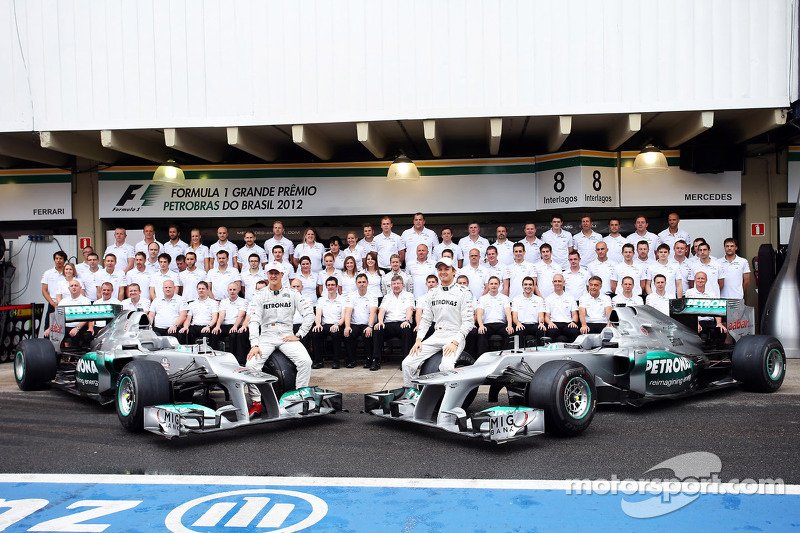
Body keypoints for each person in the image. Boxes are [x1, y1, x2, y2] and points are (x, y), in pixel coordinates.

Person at [246, 262, 314, 416]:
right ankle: (256, 402)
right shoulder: (259, 295)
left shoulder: (293, 293)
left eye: (276, 273)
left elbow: (310, 314)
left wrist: (300, 334)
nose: (273, 275)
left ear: (283, 275)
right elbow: (254, 321)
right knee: (250, 365)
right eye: (270, 273)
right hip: (266, 336)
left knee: (305, 361)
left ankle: (300, 397)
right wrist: (254, 344)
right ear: (267, 275)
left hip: (286, 335)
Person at [402, 257, 474, 387]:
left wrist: (455, 341)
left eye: (446, 269)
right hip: (437, 335)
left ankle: (450, 402)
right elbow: (426, 319)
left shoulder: (464, 292)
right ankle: (411, 394)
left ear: (454, 271)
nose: (443, 272)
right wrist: (419, 339)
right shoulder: (432, 292)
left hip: (455, 336)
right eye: (440, 269)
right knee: (407, 363)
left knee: (446, 366)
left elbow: (468, 322)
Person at [372, 275, 415, 370]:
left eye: (398, 283)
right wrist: (380, 322)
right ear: (391, 286)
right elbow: (382, 310)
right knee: (377, 329)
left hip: (403, 323)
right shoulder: (387, 297)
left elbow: (410, 309)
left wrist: (407, 320)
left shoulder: (409, 295)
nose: (396, 286)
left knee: (407, 330)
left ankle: (405, 362)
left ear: (403, 285)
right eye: (394, 284)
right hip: (389, 324)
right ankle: (376, 360)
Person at [343, 273, 379, 369]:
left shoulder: (373, 296)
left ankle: (369, 360)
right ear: (356, 283)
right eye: (359, 282)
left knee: (368, 334)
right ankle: (351, 360)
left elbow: (373, 312)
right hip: (354, 324)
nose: (361, 284)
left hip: (367, 324)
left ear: (367, 283)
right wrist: (347, 326)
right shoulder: (351, 296)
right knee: (348, 333)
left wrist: (370, 326)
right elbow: (348, 312)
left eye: (363, 282)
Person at [44, 279, 94, 344]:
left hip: (79, 327)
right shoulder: (63, 301)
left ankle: (73, 354)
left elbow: (87, 317)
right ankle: (54, 353)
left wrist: (77, 328)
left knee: (76, 335)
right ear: (69, 288)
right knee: (48, 334)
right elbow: (57, 316)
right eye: (72, 286)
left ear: (80, 288)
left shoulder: (86, 301)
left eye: (76, 285)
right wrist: (50, 328)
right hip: (64, 328)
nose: (74, 287)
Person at [311, 277, 346, 369]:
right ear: (326, 287)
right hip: (325, 325)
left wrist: (337, 324)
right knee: (315, 333)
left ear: (337, 286)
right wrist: (318, 324)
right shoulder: (321, 300)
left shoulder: (342, 300)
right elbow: (318, 315)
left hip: (338, 324)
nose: (331, 287)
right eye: (329, 285)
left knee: (336, 334)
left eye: (333, 285)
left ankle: (336, 361)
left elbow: (344, 317)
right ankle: (318, 361)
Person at [685, 272, 728, 344]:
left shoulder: (712, 294)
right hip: (696, 321)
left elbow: (717, 309)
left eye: (703, 278)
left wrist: (719, 323)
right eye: (698, 278)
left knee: (721, 330)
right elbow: (690, 310)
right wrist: (697, 324)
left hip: (709, 321)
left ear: (706, 280)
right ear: (695, 280)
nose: (700, 280)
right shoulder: (690, 292)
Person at [475, 276, 513, 355]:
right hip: (487, 325)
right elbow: (479, 313)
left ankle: (507, 357)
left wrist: (509, 325)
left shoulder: (505, 298)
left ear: (499, 285)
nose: (493, 285)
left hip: (501, 324)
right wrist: (481, 325)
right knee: (481, 333)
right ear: (488, 285)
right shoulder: (482, 299)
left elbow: (508, 313)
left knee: (510, 333)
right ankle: (482, 358)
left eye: (496, 284)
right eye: (491, 284)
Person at [218, 281, 250, 363]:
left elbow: (241, 315)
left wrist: (235, 326)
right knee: (214, 333)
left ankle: (233, 359)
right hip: (225, 325)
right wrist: (217, 326)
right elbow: (221, 316)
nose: (232, 291)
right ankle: (217, 358)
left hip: (237, 324)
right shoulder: (224, 301)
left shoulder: (243, 301)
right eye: (230, 289)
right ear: (228, 291)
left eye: (234, 289)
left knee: (233, 335)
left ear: (238, 290)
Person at [181, 281, 220, 346]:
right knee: (183, 333)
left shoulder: (213, 303)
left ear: (207, 290)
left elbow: (215, 318)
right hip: (194, 326)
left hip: (207, 326)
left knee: (206, 334)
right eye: (199, 289)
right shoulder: (192, 303)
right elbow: (188, 318)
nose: (201, 290)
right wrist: (185, 327)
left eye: (203, 289)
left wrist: (208, 326)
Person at [543, 274, 579, 343]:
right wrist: (550, 323)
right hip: (554, 324)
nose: (557, 283)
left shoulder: (571, 298)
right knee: (551, 331)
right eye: (555, 281)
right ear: (552, 283)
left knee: (574, 330)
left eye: (559, 281)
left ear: (563, 282)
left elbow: (575, 314)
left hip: (568, 323)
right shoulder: (548, 299)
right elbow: (546, 316)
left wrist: (573, 322)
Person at [511, 276, 546, 347]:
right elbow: (514, 317)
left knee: (542, 330)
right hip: (522, 324)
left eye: (530, 284)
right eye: (525, 284)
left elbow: (541, 316)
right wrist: (518, 323)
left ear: (533, 286)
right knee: (519, 331)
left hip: (535, 324)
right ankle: (519, 354)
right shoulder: (516, 299)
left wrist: (541, 323)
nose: (528, 286)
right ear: (522, 286)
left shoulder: (539, 300)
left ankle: (541, 352)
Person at [41, 250, 67, 330]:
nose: (58, 260)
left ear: (64, 260)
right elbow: (44, 290)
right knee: (49, 327)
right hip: (53, 303)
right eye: (56, 258)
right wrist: (52, 303)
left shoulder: (68, 272)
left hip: (66, 304)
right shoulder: (48, 273)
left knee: (64, 327)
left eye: (61, 258)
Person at [413, 275, 440, 340]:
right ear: (426, 284)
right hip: (425, 323)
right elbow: (418, 312)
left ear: (437, 284)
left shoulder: (442, 297)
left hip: (438, 323)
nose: (431, 284)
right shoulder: (421, 298)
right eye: (429, 282)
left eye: (433, 282)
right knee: (417, 332)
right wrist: (418, 325)